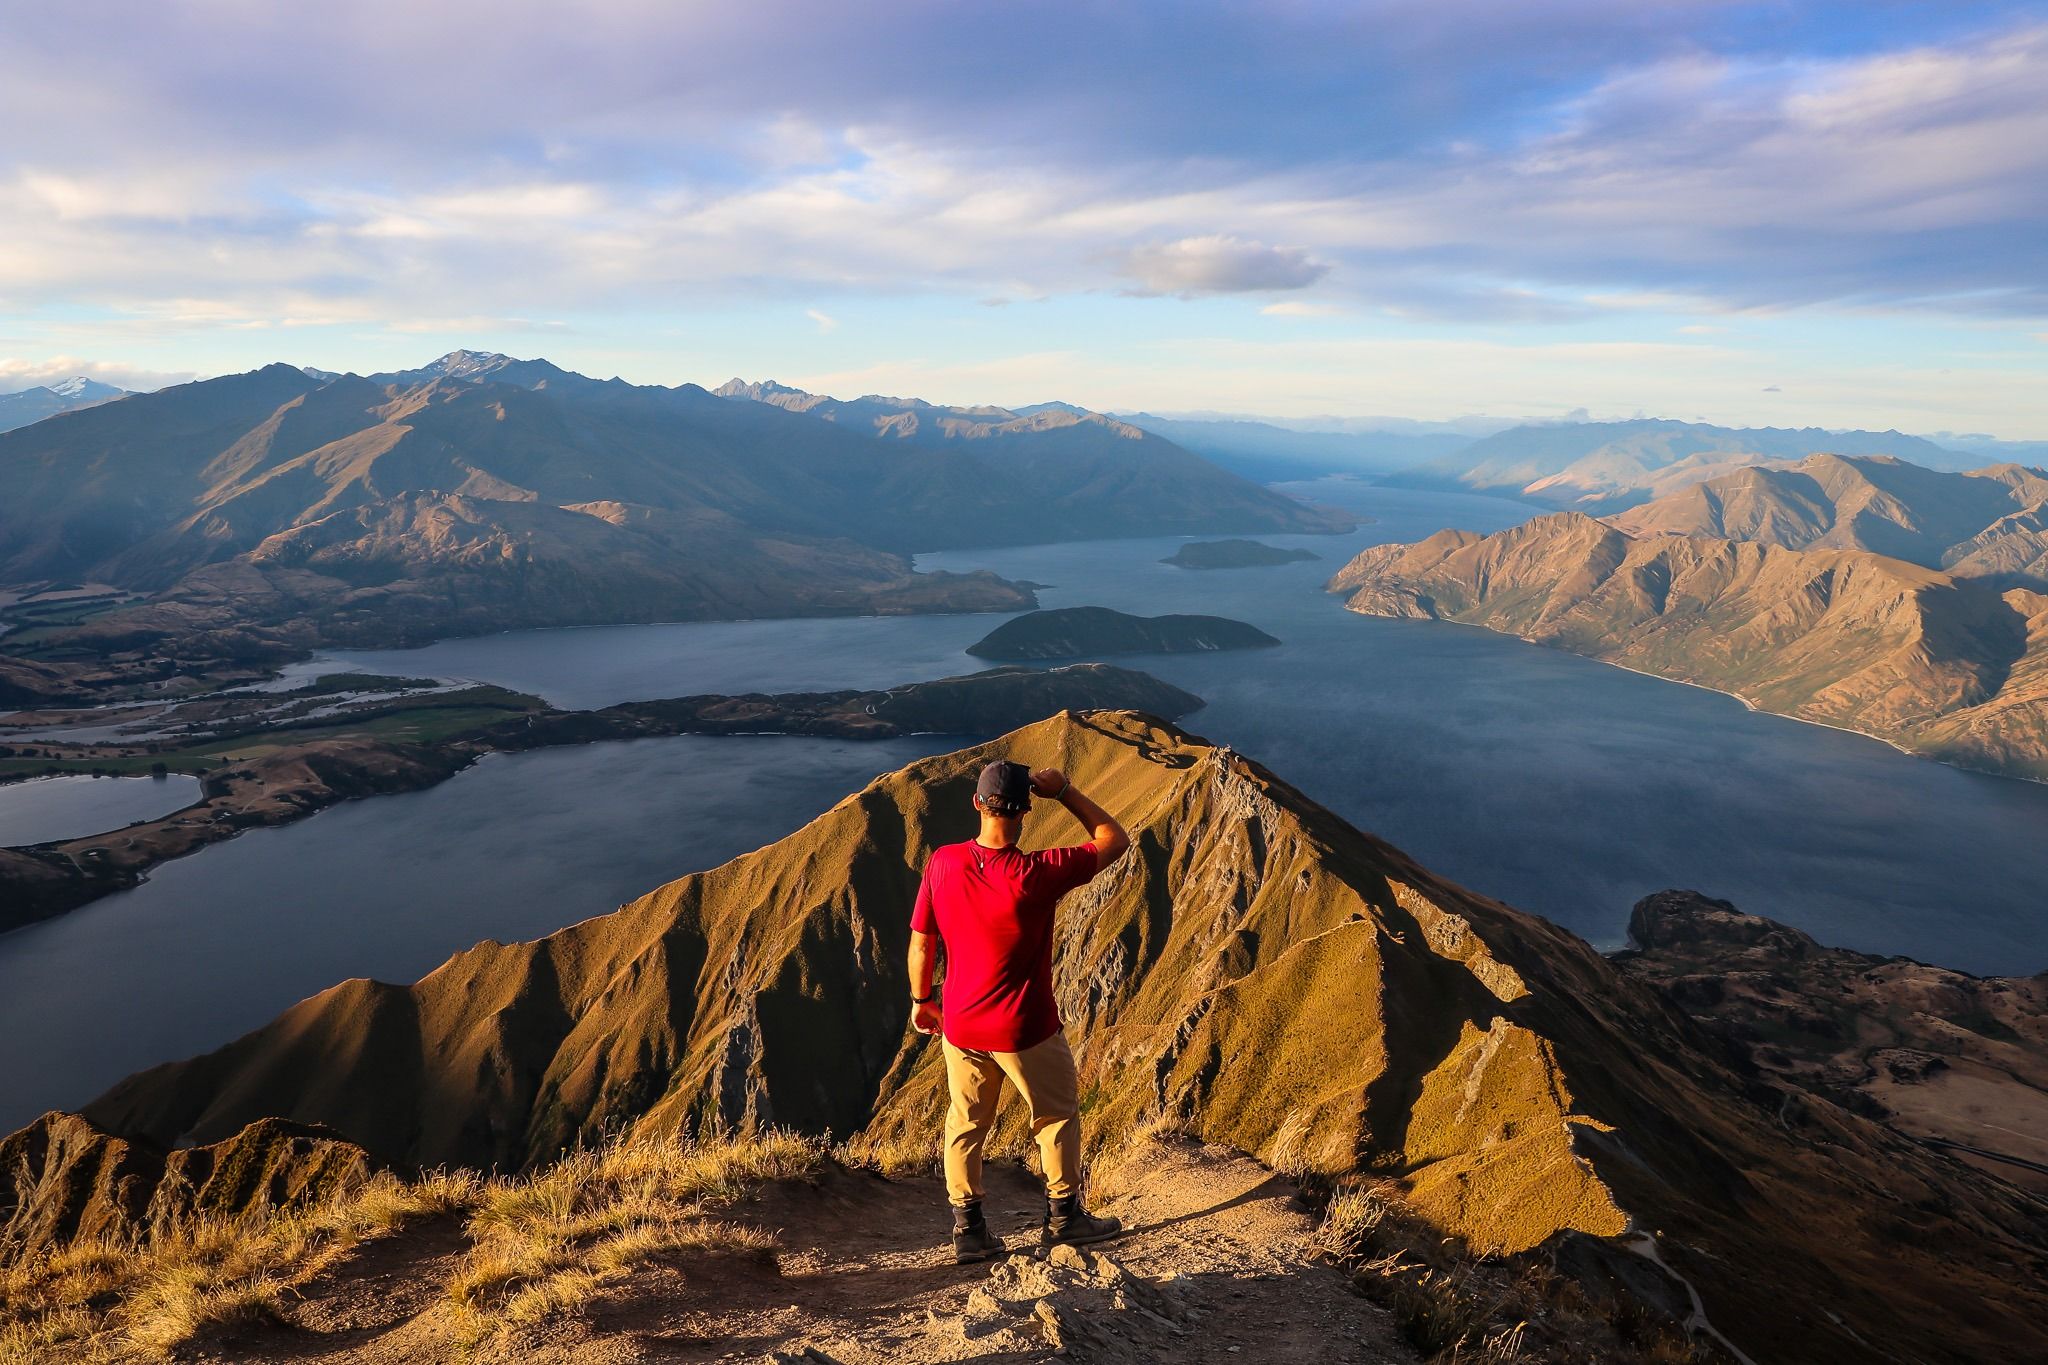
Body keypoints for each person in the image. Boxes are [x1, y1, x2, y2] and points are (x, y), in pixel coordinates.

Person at [907, 758, 1130, 1264]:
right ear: (1027, 812)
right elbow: (1114, 839)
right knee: (1054, 1116)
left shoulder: (942, 862)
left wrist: (923, 1001)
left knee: (964, 1123)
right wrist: (1067, 790)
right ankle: (1064, 1219)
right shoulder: (1038, 873)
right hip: (1025, 1026)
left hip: (960, 1024)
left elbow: (922, 940)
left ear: (977, 804)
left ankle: (969, 1230)